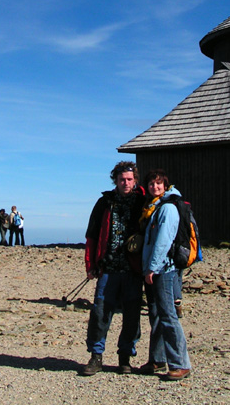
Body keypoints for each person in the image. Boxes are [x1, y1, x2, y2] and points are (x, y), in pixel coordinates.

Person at [80, 161, 145, 376]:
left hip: (133, 270)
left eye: (129, 179)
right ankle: (96, 356)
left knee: (132, 316)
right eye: (121, 179)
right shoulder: (104, 203)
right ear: (115, 181)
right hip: (108, 269)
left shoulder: (143, 203)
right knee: (100, 313)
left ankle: (125, 357)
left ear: (135, 180)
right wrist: (91, 265)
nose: (125, 183)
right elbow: (92, 235)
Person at [140, 169, 191, 380]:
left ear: (165, 185)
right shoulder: (154, 208)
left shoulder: (167, 208)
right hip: (155, 269)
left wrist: (152, 267)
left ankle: (180, 363)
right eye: (151, 184)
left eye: (158, 183)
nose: (155, 187)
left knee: (168, 315)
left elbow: (163, 241)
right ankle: (158, 359)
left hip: (164, 270)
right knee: (157, 316)